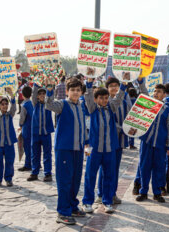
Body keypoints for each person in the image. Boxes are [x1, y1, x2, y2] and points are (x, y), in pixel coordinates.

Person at [45, 77, 88, 225]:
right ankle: (63, 212)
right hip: (64, 149)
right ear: (67, 91)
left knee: (75, 180)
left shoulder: (81, 106)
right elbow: (49, 104)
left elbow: (83, 126)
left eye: (78, 90)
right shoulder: (61, 105)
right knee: (64, 181)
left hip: (79, 148)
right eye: (73, 90)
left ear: (81, 91)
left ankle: (72, 206)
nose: (75, 93)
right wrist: (50, 90)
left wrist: (87, 143)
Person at [82, 78, 126, 214]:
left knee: (109, 175)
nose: (104, 100)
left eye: (106, 98)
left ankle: (107, 202)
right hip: (92, 149)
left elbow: (118, 98)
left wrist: (123, 85)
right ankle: (87, 202)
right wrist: (89, 84)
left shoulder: (111, 109)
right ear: (95, 99)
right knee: (90, 175)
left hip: (109, 149)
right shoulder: (92, 109)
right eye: (101, 98)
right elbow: (88, 96)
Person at [134, 80, 169, 203]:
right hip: (146, 142)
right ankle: (143, 191)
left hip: (160, 144)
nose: (156, 93)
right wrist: (141, 81)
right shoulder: (148, 104)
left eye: (159, 92)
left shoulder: (167, 109)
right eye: (155, 91)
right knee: (144, 167)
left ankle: (157, 193)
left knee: (159, 169)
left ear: (164, 95)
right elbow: (143, 92)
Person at [96, 78, 131, 205]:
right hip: (108, 140)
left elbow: (130, 115)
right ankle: (101, 194)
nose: (114, 88)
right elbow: (107, 121)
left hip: (120, 140)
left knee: (115, 168)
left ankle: (112, 193)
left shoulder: (124, 99)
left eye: (117, 86)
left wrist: (131, 127)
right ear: (107, 88)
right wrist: (121, 128)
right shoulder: (106, 101)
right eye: (111, 86)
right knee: (105, 168)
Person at [27, 83, 54, 182]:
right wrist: (36, 83)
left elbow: (51, 97)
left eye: (44, 93)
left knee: (47, 154)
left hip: (46, 133)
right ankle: (34, 172)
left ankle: (48, 173)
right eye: (40, 94)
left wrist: (50, 90)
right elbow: (34, 93)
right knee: (35, 153)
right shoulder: (35, 104)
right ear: (37, 96)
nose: (42, 95)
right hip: (35, 133)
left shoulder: (48, 105)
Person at [0, 88, 17, 187]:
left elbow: (14, 107)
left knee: (9, 162)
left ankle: (9, 179)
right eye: (2, 104)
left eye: (6, 104)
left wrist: (12, 96)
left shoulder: (10, 115)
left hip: (9, 143)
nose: (5, 106)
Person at [18, 86, 34, 172]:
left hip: (26, 128)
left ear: (22, 94)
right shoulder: (32, 103)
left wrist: (20, 125)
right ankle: (35, 163)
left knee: (27, 147)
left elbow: (22, 118)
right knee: (33, 147)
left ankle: (28, 164)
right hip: (33, 127)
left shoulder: (24, 105)